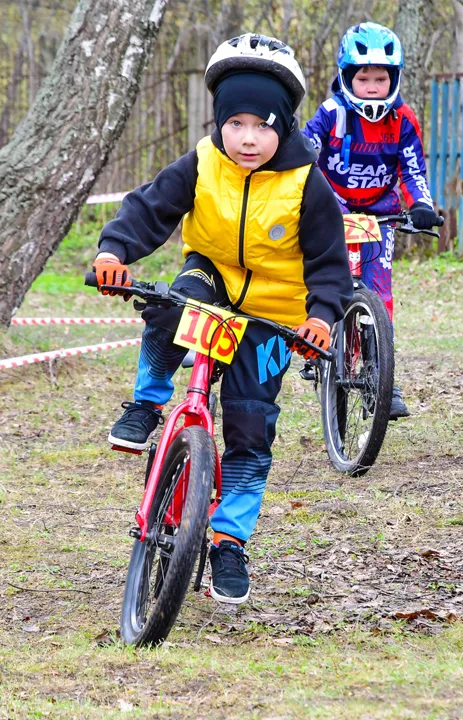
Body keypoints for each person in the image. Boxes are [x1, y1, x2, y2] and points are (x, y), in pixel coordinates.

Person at [92, 34, 352, 604]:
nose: (248, 138)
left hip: (275, 309)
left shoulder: (308, 184)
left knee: (252, 424)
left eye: (263, 125)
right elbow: (148, 208)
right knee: (169, 305)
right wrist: (114, 252)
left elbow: (331, 265)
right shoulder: (202, 163)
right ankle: (147, 402)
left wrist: (322, 319)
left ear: (283, 126)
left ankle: (229, 541)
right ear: (218, 124)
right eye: (235, 124)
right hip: (210, 275)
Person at [303, 22, 441, 420]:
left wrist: (421, 206)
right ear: (347, 76)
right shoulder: (332, 113)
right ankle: (316, 338)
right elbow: (307, 151)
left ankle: (383, 375)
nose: (372, 86)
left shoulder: (403, 120)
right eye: (363, 78)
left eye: (381, 78)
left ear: (394, 78)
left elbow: (413, 170)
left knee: (379, 294)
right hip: (334, 209)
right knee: (330, 278)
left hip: (381, 213)